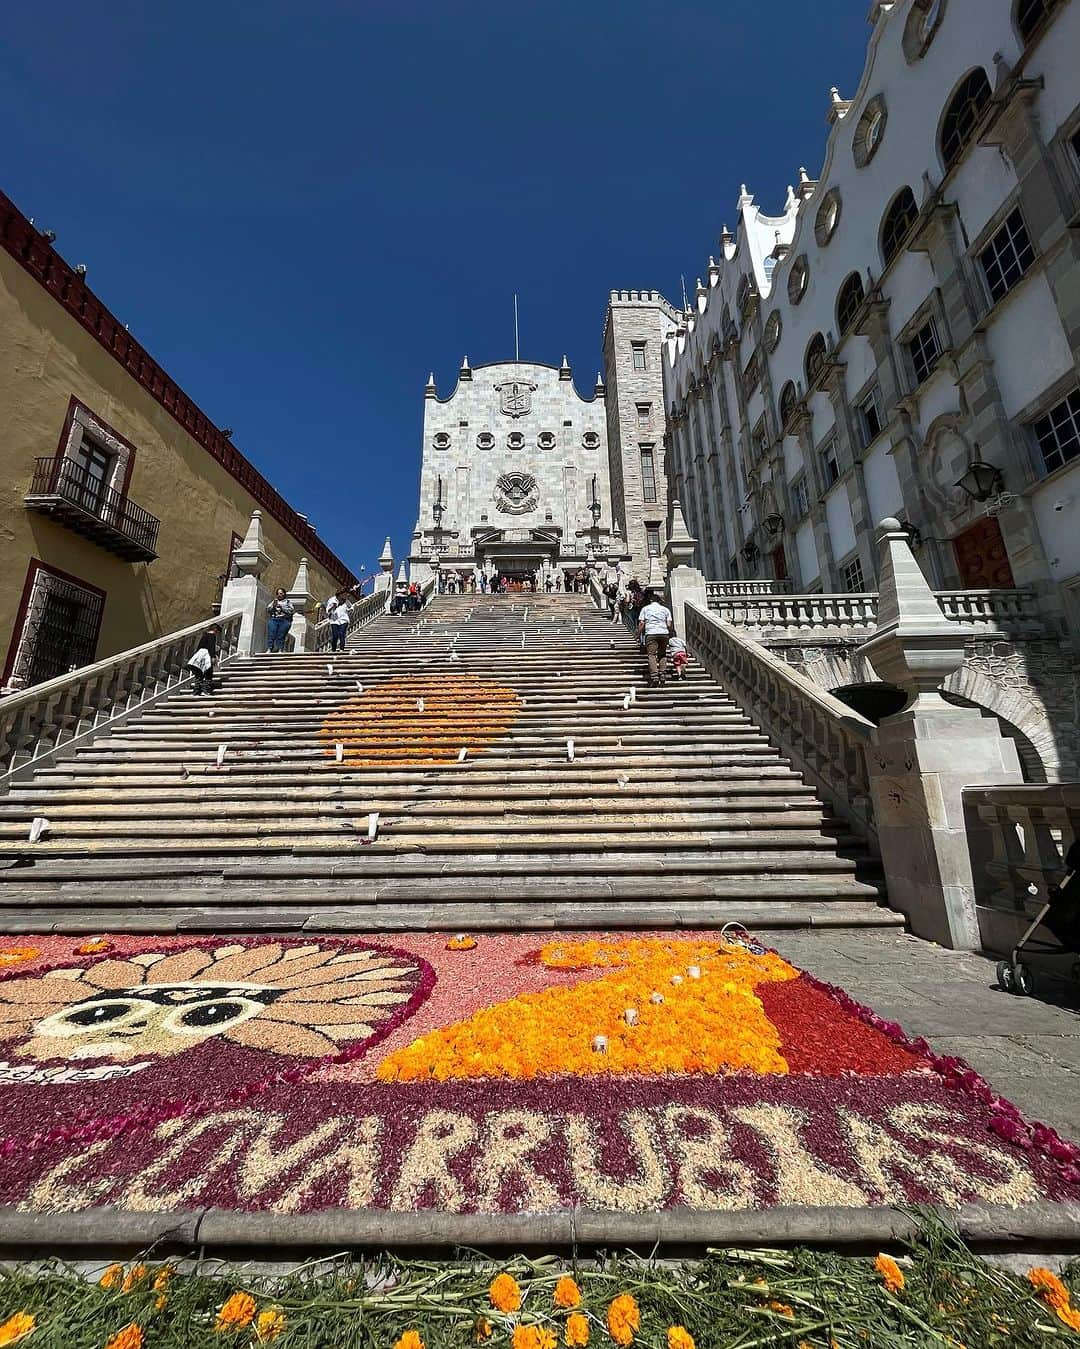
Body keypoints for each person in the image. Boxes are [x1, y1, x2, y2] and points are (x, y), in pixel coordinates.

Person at [637, 589, 674, 686]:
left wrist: (638, 634)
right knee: (662, 654)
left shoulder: (645, 609)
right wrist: (670, 632)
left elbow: (642, 623)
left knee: (651, 655)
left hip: (651, 633)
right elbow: (669, 624)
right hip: (663, 633)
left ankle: (654, 675)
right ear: (659, 601)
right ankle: (662, 673)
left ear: (651, 601)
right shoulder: (665, 610)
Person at [187, 624, 220, 695]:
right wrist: (213, 657)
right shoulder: (212, 636)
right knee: (209, 673)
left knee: (199, 674)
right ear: (215, 630)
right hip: (207, 656)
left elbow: (199, 647)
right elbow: (211, 647)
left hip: (199, 656)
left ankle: (196, 691)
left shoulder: (204, 635)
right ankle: (206, 690)